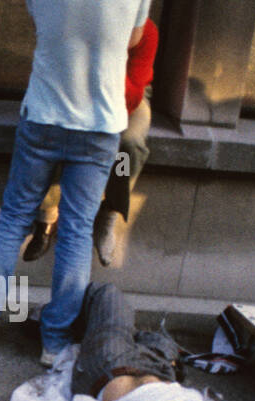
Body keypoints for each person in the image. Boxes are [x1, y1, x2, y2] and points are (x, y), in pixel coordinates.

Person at [0, 0, 154, 366]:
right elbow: (134, 40)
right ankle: (53, 343)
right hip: (100, 122)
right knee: (75, 230)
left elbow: (42, 21)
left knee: (12, 219)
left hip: (44, 114)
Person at [24, 17, 158, 267]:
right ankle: (46, 216)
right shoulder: (84, 21)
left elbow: (133, 95)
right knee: (60, 130)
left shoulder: (146, 32)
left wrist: (111, 60)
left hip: (128, 97)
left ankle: (110, 211)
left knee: (129, 145)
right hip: (79, 94)